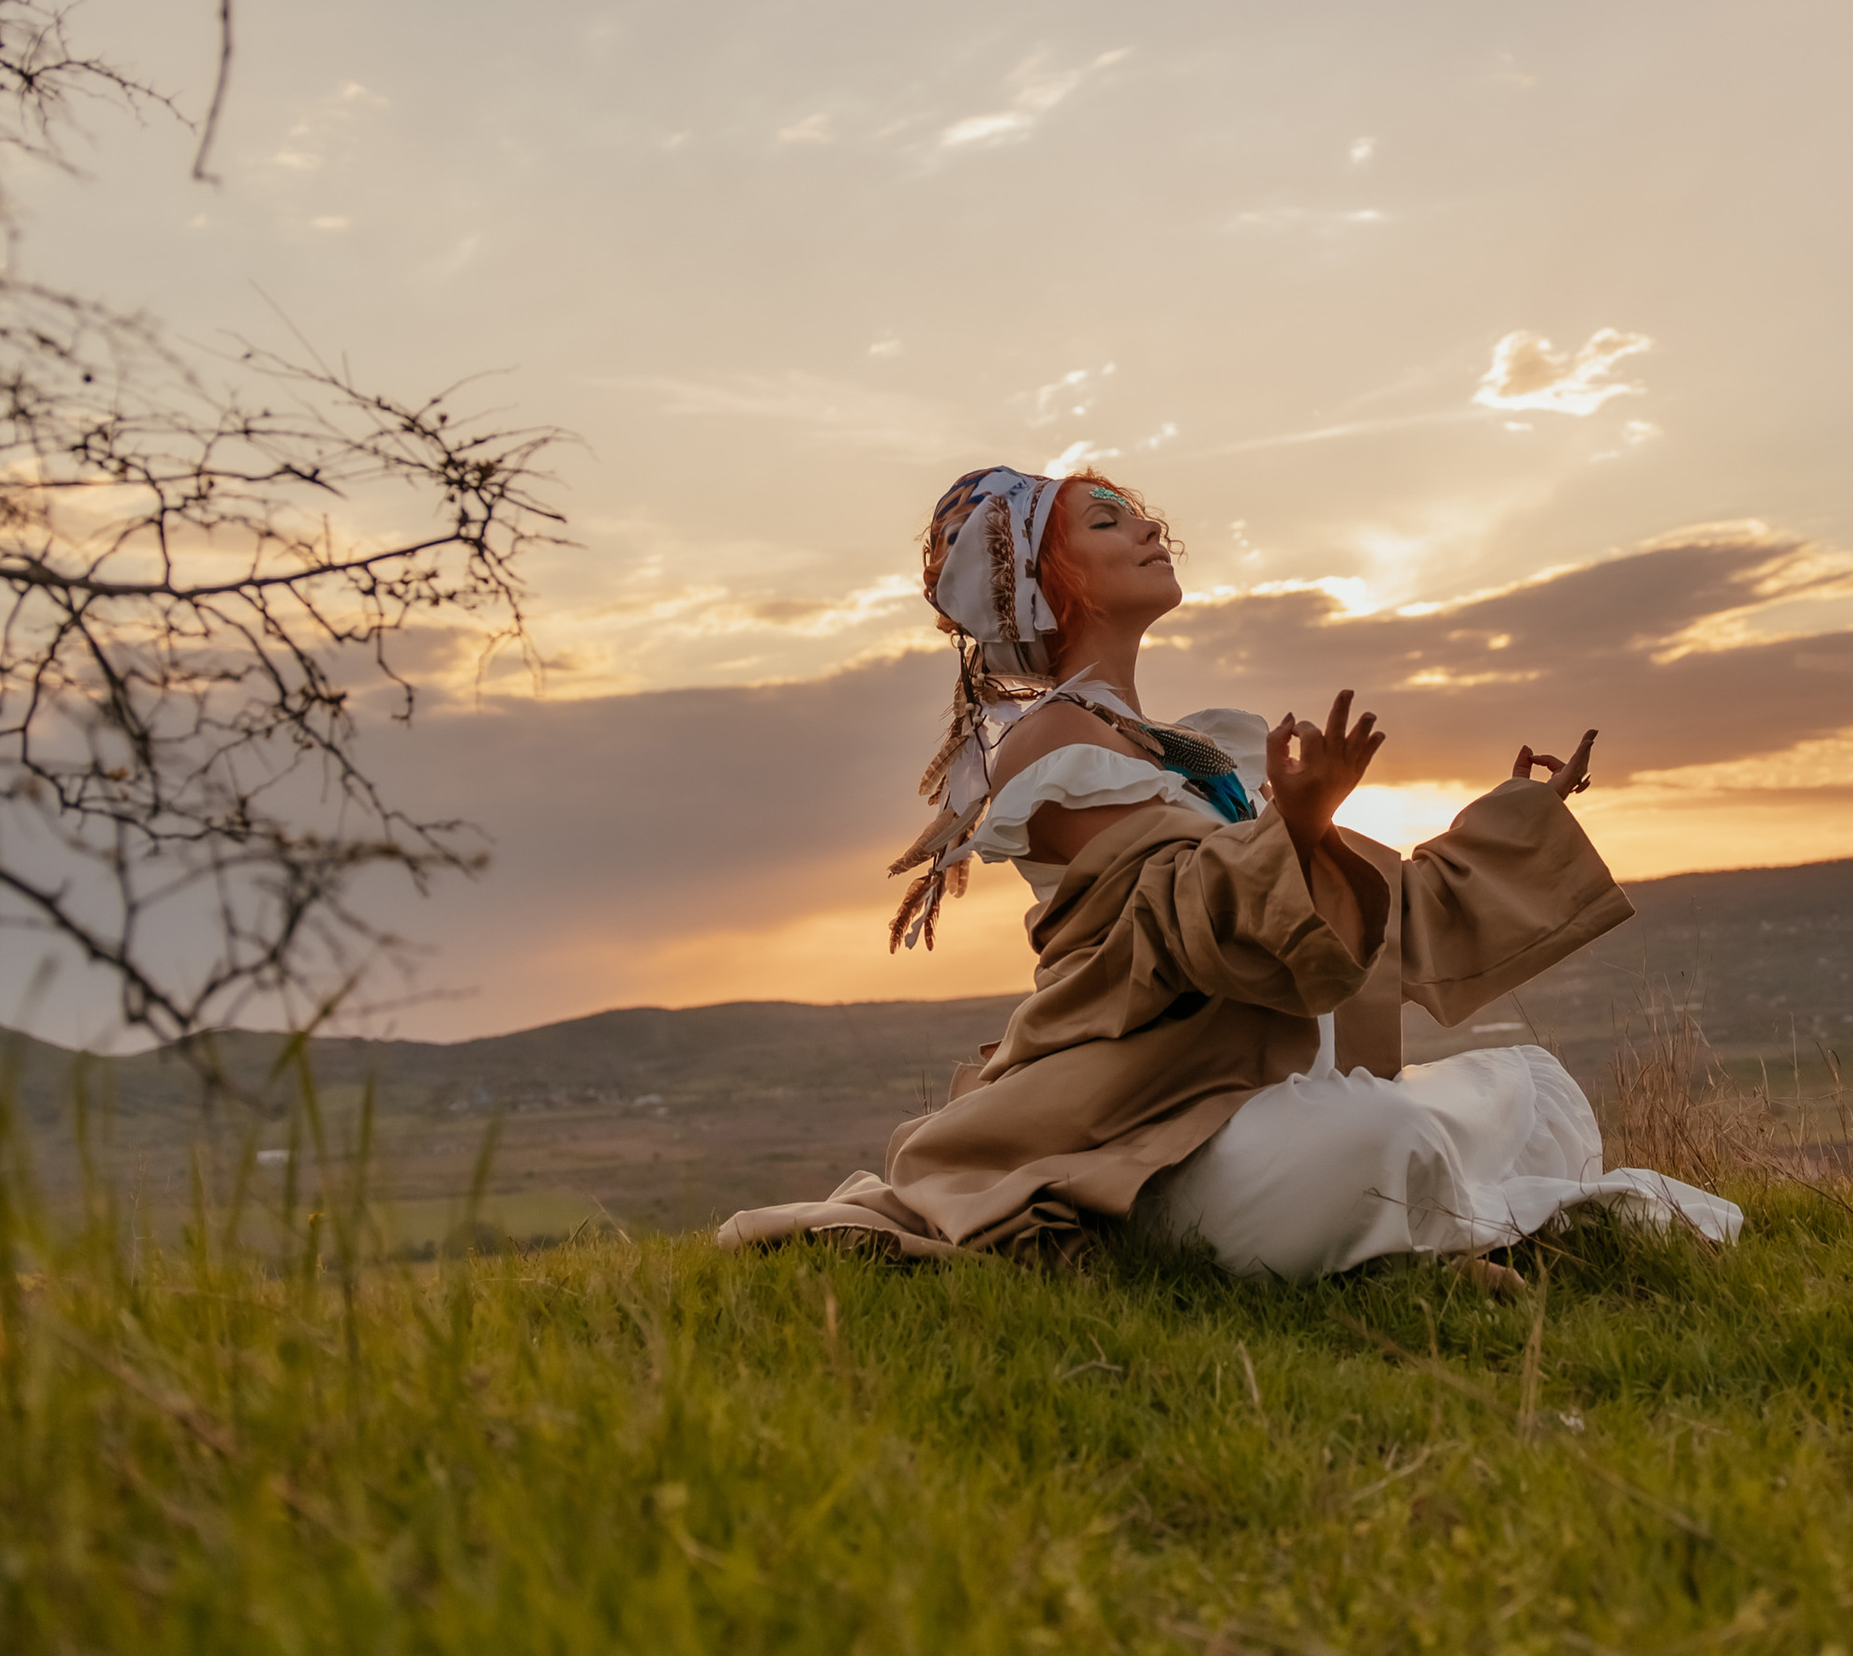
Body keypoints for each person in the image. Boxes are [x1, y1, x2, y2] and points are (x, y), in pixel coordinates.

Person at [716, 464, 1739, 1274]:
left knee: (1534, 1096)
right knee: (1381, 1145)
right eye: (1106, 522)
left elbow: (1368, 914)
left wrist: (1511, 817)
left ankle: (1394, 1245)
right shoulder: (1057, 748)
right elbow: (1179, 917)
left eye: (1139, 512)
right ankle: (1179, 1227)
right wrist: (1292, 828)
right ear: (1046, 580)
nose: (1149, 528)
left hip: (1278, 1085)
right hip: (1164, 1114)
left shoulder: (1200, 750)